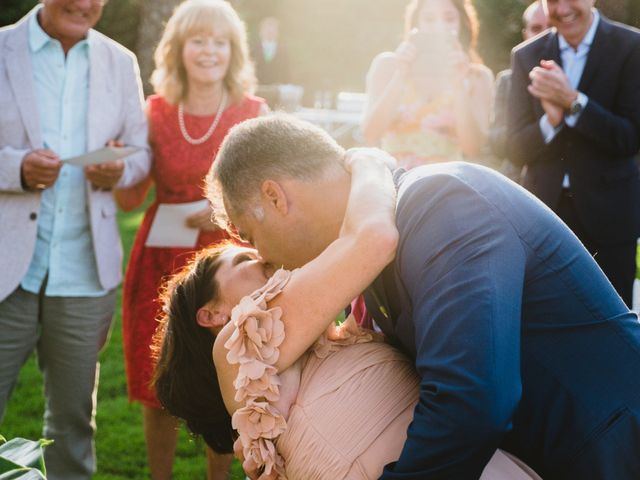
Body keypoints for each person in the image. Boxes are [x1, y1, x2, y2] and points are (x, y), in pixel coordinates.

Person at [209, 114, 640, 479]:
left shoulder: (440, 204)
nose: (264, 258)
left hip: (612, 452)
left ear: (275, 196)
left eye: (251, 235)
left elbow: (471, 401)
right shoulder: (379, 252)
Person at [154, 149, 542, 479]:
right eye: (243, 256)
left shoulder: (331, 333)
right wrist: (370, 163)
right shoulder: (233, 350)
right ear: (212, 315)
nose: (263, 256)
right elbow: (371, 238)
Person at [113, 0, 265, 478]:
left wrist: (227, 206)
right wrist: (117, 164)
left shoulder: (252, 112)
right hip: (159, 259)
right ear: (178, 49)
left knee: (226, 377)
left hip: (229, 265)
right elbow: (129, 196)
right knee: (153, 376)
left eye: (220, 42)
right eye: (199, 40)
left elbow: (270, 190)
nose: (209, 51)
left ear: (234, 51)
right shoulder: (154, 111)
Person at [0, 1, 151, 479]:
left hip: (86, 271)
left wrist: (120, 169)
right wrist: (16, 168)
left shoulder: (120, 61)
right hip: (6, 267)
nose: (85, 4)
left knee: (72, 423)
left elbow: (140, 151)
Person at [507, 0, 640, 307]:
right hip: (544, 217)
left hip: (609, 217)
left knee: (612, 323)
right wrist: (550, 120)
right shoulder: (526, 55)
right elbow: (514, 149)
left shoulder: (631, 47)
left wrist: (573, 102)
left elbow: (630, 138)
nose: (562, 8)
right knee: (546, 321)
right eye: (552, 0)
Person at [362, 0, 494, 170]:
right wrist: (400, 75)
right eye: (429, 19)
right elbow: (370, 133)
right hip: (392, 181)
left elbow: (473, 148)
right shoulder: (387, 65)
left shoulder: (478, 77)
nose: (439, 26)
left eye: (449, 19)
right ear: (416, 24)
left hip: (444, 184)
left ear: (462, 22)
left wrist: (458, 84)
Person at [489, 0, 548, 179]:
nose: (545, 35)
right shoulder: (507, 81)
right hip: (519, 183)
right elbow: (497, 142)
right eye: (536, 28)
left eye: (551, 28)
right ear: (525, 34)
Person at [251, 16, 290, 86]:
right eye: (267, 30)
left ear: (277, 33)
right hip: (258, 88)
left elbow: (287, 72)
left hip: (277, 88)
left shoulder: (284, 51)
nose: (269, 33)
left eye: (272, 31)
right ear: (260, 32)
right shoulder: (253, 50)